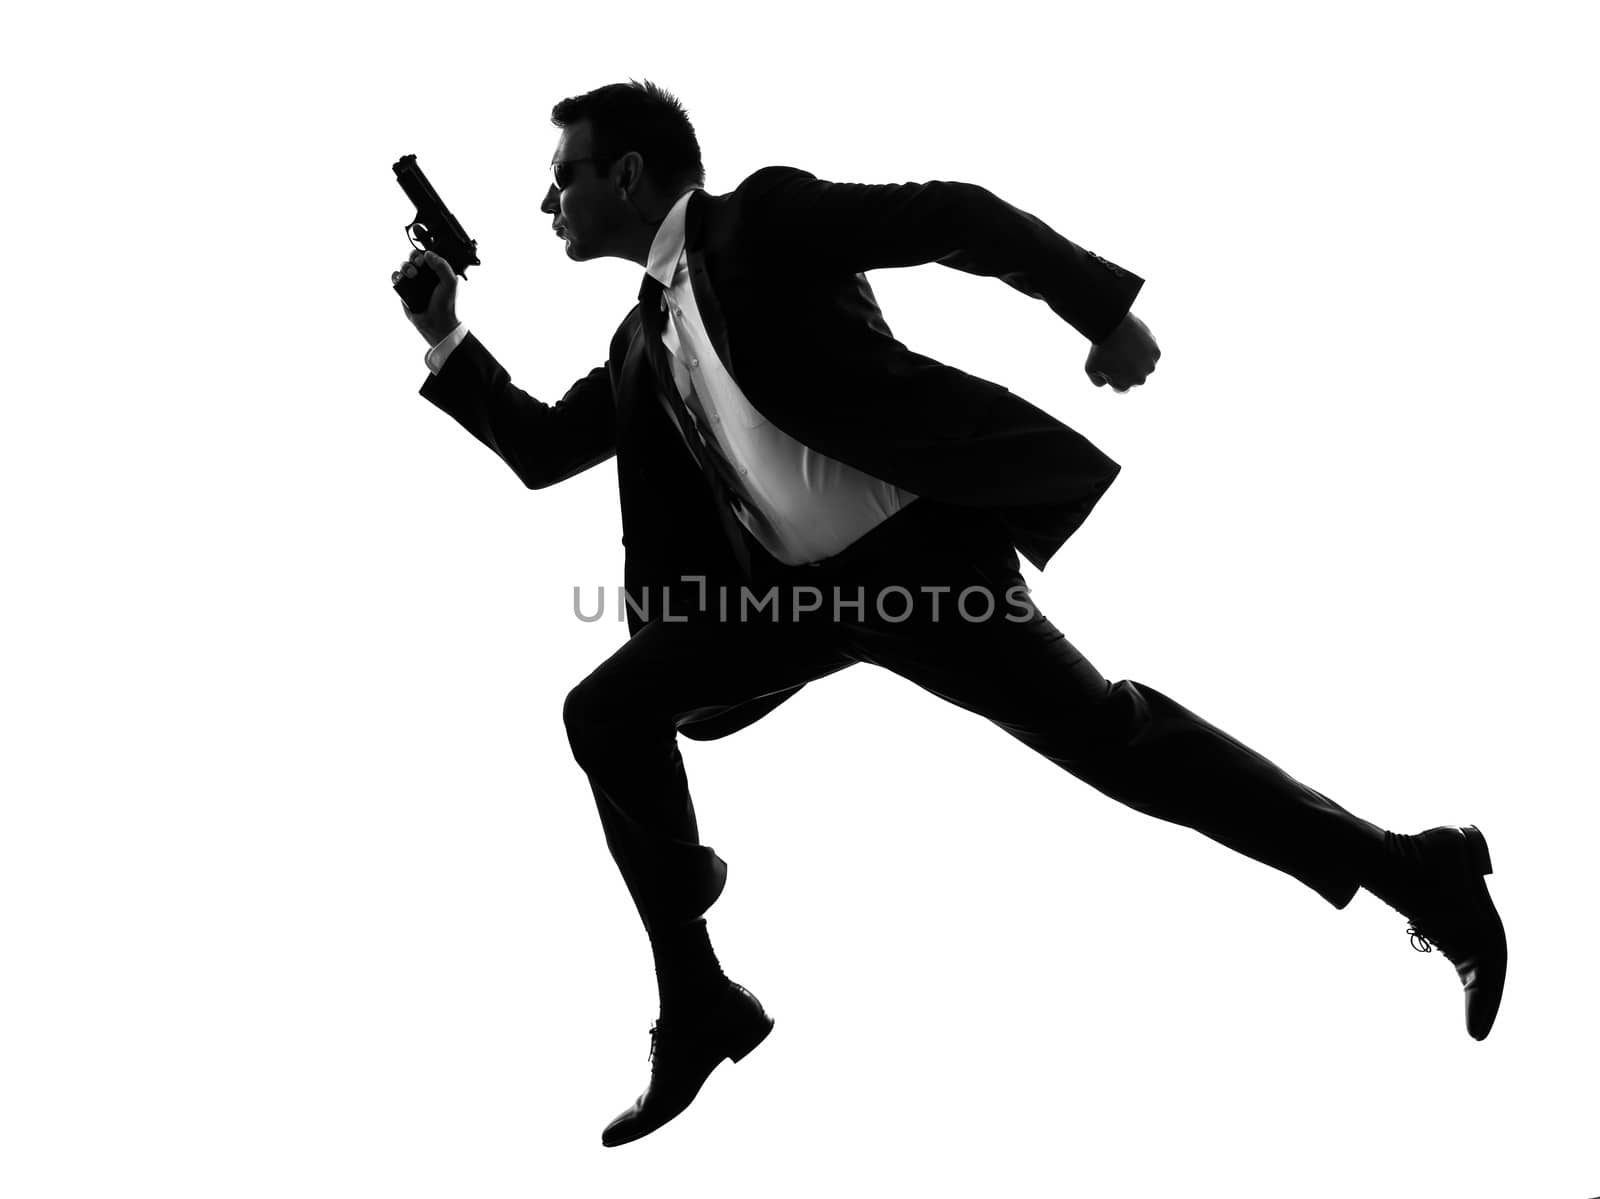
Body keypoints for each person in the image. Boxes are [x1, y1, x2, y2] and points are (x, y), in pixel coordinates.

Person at [391, 79, 1506, 1147]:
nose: (547, 202)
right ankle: (700, 1005)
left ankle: (1417, 871)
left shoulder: (758, 220)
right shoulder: (640, 342)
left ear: (629, 173)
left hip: (918, 567)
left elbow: (952, 218)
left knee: (1114, 741)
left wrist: (1095, 307)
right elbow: (541, 450)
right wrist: (442, 331)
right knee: (608, 710)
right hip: (791, 601)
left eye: (564, 177)